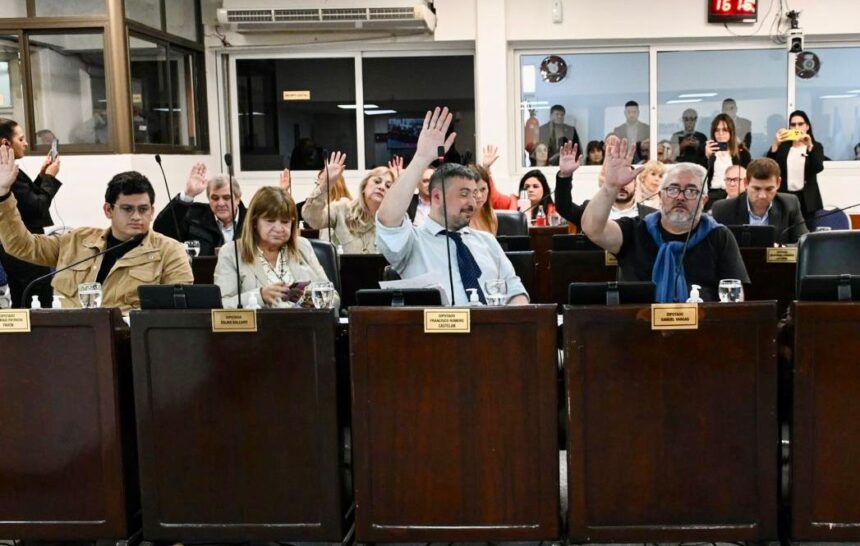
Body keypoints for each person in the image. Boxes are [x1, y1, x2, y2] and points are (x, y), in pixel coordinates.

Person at [0, 150, 192, 313]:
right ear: (108, 210)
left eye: (143, 209)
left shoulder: (169, 251)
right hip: (70, 338)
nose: (136, 216)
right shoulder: (77, 241)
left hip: (129, 341)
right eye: (127, 209)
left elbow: (179, 315)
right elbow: (21, 245)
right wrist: (3, 194)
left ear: (152, 211)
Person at [376, 106, 528, 306]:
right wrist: (421, 158)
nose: (472, 202)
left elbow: (516, 291)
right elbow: (388, 219)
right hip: (438, 326)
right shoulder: (413, 243)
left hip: (492, 325)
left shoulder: (488, 242)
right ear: (437, 196)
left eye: (474, 194)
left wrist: (514, 320)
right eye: (463, 194)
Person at [581, 139, 749, 303]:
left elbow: (734, 298)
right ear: (661, 196)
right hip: (640, 321)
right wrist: (611, 186)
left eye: (691, 191)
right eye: (673, 189)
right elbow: (592, 229)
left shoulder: (719, 236)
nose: (680, 197)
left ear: (704, 200)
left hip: (703, 321)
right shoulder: (636, 230)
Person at [215, 186, 338, 309]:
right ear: (254, 222)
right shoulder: (231, 253)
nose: (279, 229)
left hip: (305, 320)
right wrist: (260, 296)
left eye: (285, 222)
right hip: (261, 321)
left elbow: (334, 298)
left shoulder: (303, 246)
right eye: (270, 221)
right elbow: (222, 305)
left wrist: (316, 301)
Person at [0, 118, 62, 307]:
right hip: (22, 248)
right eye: (21, 139)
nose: (26, 143)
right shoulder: (5, 174)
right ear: (5, 143)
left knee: (23, 300)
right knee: (36, 301)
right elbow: (37, 207)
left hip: (16, 247)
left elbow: (27, 200)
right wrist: (50, 178)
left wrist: (42, 176)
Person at [302, 152, 395, 254]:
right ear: (364, 187)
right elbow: (311, 218)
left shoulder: (392, 223)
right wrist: (325, 185)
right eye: (377, 181)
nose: (382, 187)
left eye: (388, 186)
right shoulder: (342, 209)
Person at [555, 142, 657, 227]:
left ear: (636, 185)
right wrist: (565, 175)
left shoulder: (653, 216)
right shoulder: (591, 210)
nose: (622, 184)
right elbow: (564, 208)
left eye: (627, 180)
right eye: (617, 178)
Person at [153, 163, 246, 256]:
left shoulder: (251, 219)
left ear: (237, 199)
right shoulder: (194, 216)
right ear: (208, 199)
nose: (220, 203)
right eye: (215, 198)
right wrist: (188, 194)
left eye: (226, 197)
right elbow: (161, 230)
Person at [711, 158, 808, 245]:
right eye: (756, 189)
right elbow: (713, 247)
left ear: (778, 183)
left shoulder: (790, 204)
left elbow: (804, 243)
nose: (762, 196)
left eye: (769, 189)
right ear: (746, 183)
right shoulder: (723, 209)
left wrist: (780, 250)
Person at [766, 110, 825, 222]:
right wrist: (775, 145)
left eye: (800, 124)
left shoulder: (815, 146)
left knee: (807, 230)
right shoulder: (783, 147)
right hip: (785, 196)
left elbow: (818, 167)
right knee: (784, 229)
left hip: (807, 199)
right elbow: (770, 168)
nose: (796, 127)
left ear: (807, 126)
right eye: (793, 125)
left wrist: (810, 147)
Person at [704, 113, 751, 206]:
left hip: (734, 195)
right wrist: (707, 157)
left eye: (725, 130)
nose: (720, 134)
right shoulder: (707, 150)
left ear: (731, 132)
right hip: (712, 196)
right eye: (717, 130)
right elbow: (701, 177)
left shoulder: (741, 153)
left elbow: (748, 177)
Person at [407, 159, 439, 225]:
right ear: (417, 184)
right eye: (426, 181)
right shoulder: (408, 202)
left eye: (432, 181)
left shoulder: (444, 203)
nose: (430, 184)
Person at [469, 164, 497, 234]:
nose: (479, 196)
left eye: (483, 189)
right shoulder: (458, 219)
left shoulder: (491, 215)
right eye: (474, 191)